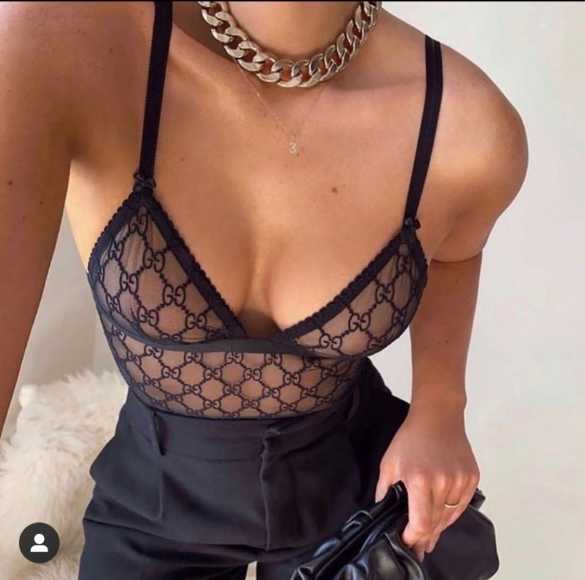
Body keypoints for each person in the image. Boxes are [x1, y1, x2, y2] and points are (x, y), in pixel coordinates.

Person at [0, 1, 528, 578]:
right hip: (154, 503)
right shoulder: (58, 40)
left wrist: (440, 409)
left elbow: (456, 252)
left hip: (351, 489)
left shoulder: (466, 124)